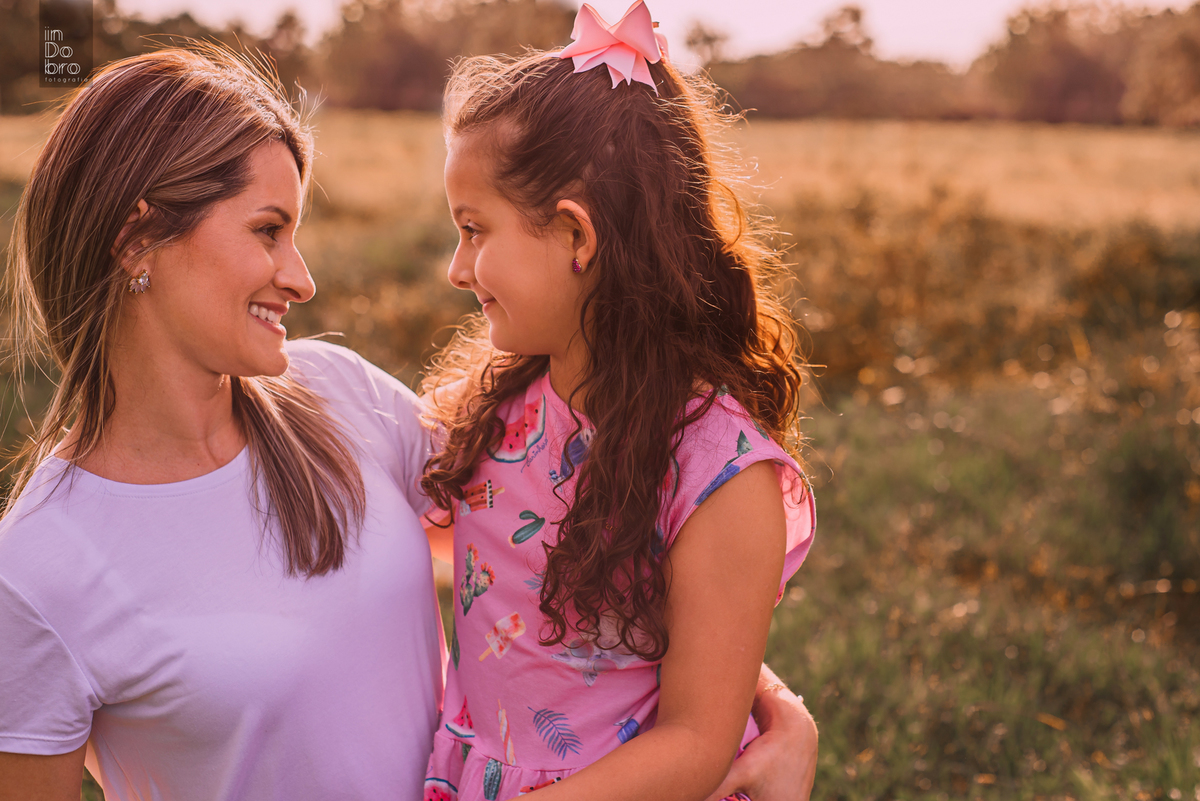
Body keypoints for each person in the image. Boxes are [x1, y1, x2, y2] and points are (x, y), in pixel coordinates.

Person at [0, 45, 816, 801]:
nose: (303, 278)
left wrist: (770, 705)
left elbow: (564, 553)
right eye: (267, 231)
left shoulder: (335, 395)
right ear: (138, 235)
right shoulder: (37, 571)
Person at [418, 3, 816, 800]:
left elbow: (697, 741)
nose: (457, 269)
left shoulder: (721, 473)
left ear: (575, 236)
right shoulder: (493, 412)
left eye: (475, 229)